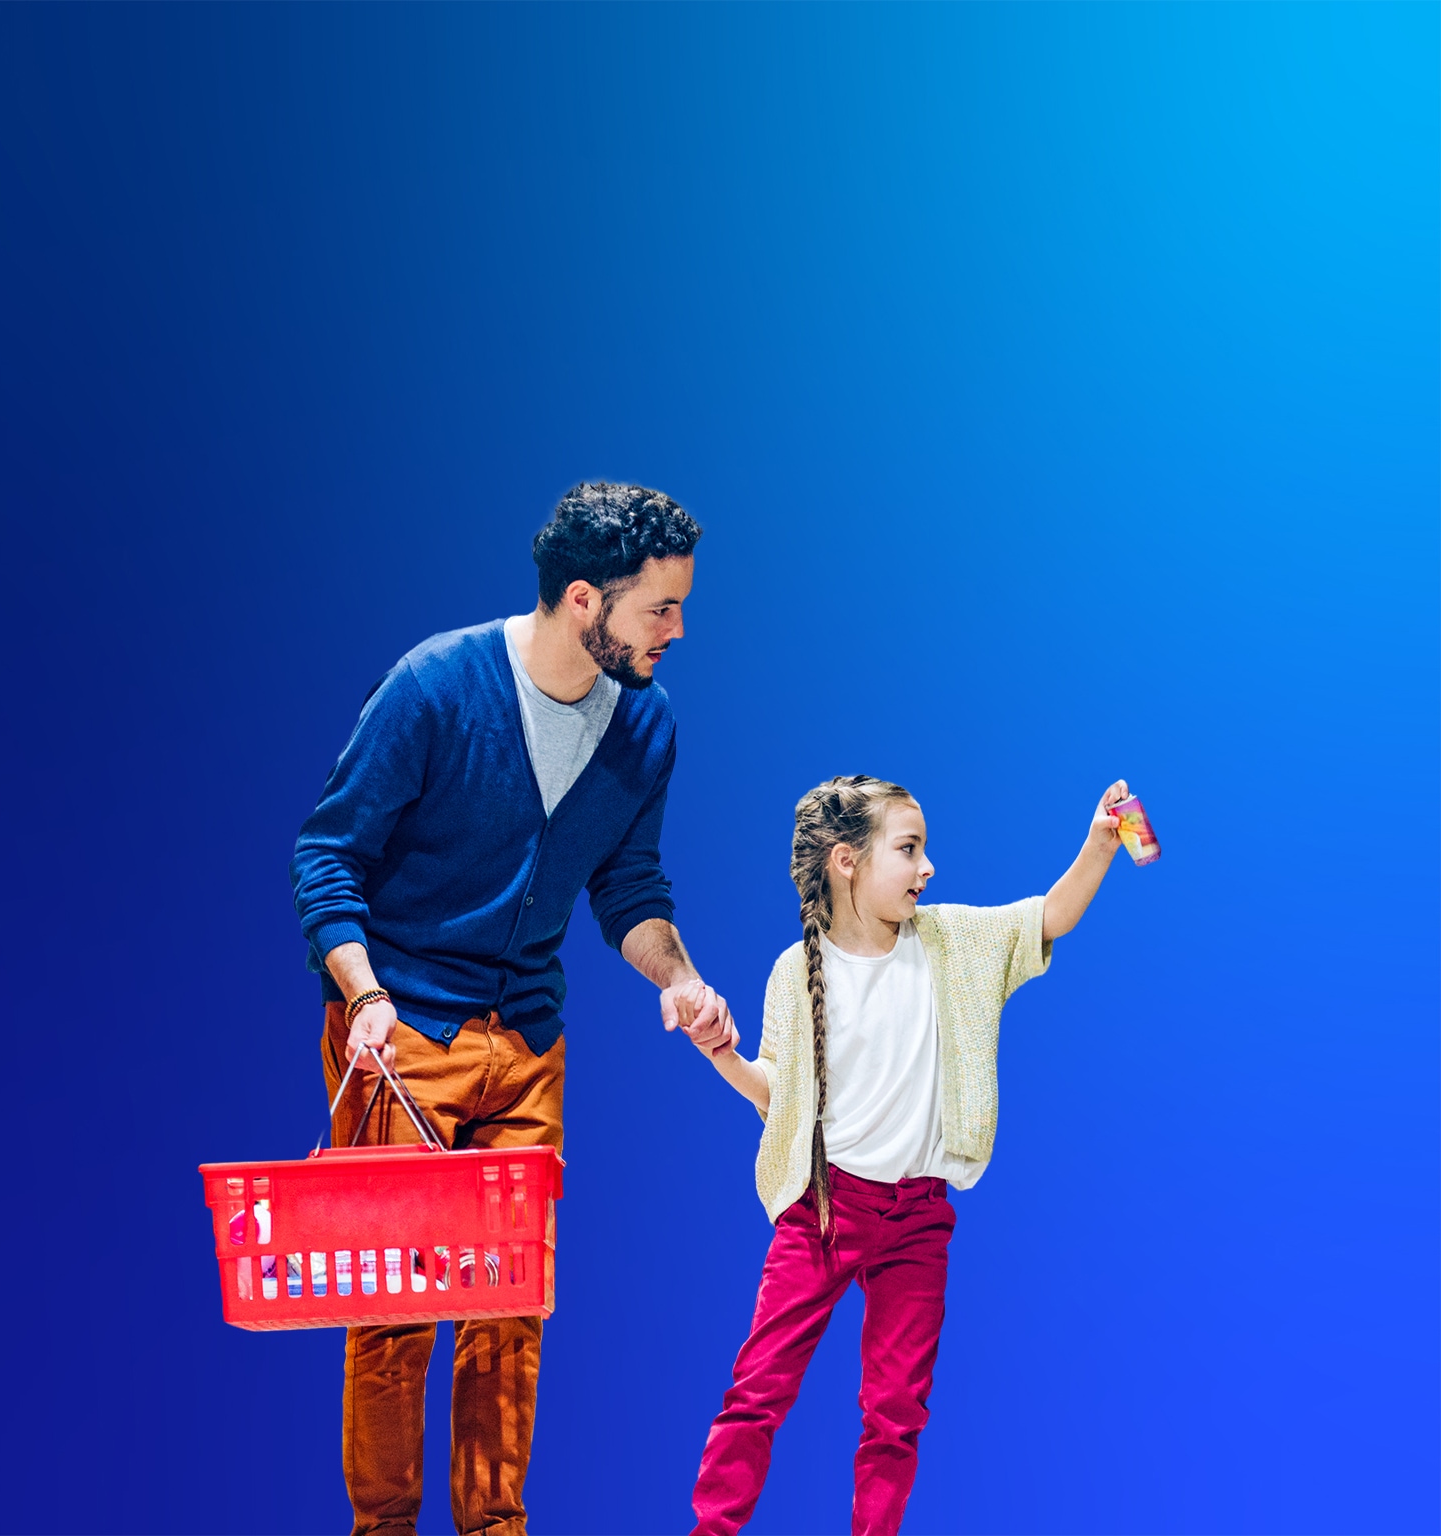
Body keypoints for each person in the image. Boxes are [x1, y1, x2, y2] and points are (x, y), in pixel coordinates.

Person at [290, 482, 735, 1536]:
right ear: (586, 600)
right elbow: (328, 854)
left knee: (509, 1307)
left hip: (528, 1042)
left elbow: (629, 890)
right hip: (402, 1032)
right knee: (394, 1309)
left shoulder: (647, 727)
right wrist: (363, 995)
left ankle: (496, 1527)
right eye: (660, 609)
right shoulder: (436, 687)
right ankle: (384, 1528)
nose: (678, 630)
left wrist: (677, 977)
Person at [677, 774, 1132, 1536]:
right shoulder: (796, 972)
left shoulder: (953, 943)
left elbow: (1048, 918)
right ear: (846, 861)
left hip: (918, 1218)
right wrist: (721, 1053)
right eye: (909, 849)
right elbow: (776, 1094)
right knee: (758, 1389)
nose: (927, 868)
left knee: (896, 1412)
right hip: (823, 1209)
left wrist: (1098, 841)